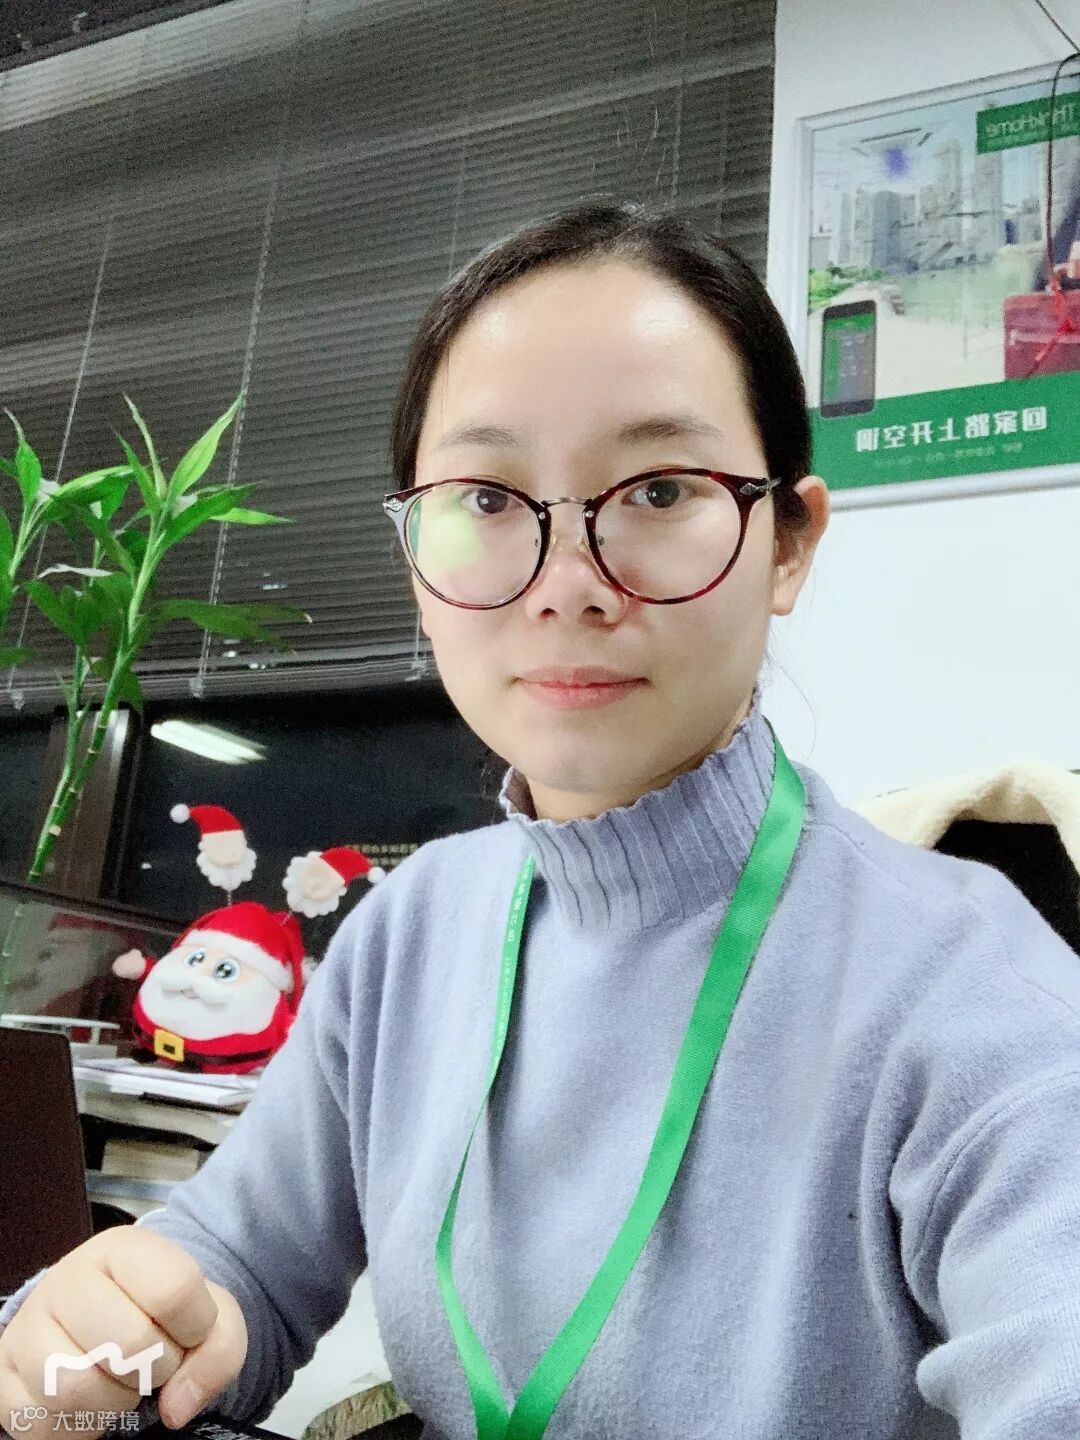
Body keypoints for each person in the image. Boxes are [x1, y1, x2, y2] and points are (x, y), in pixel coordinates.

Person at [3, 199, 1080, 1440]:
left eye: (660, 488)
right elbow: (233, 1263)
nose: (569, 585)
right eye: (488, 497)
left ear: (790, 544)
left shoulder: (970, 987)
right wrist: (116, 1340)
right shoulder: (410, 931)